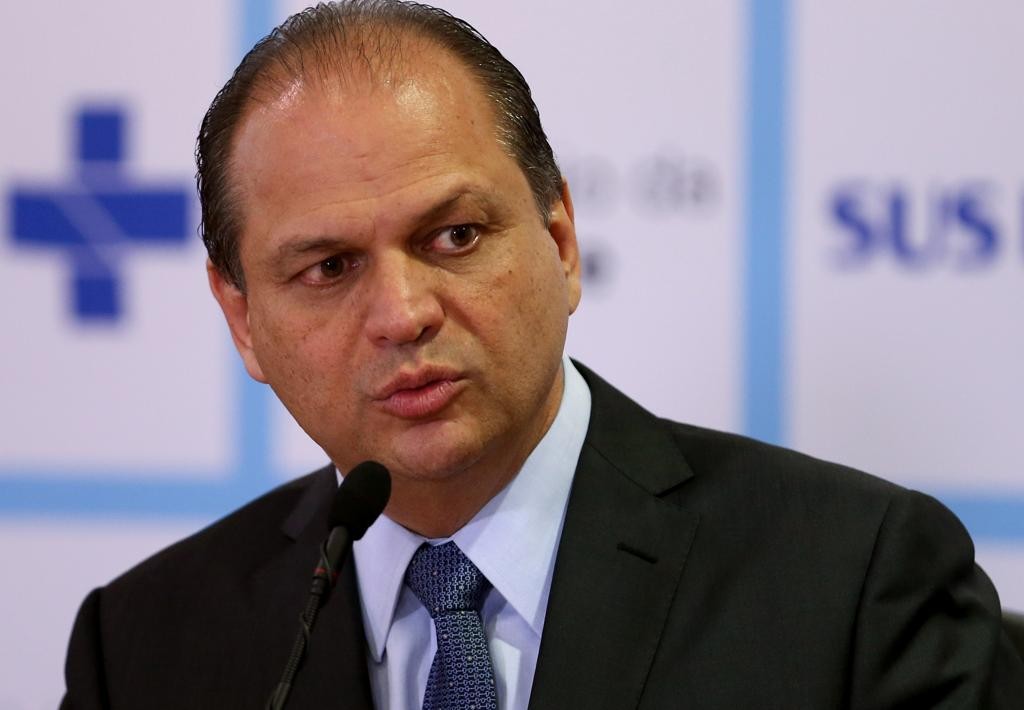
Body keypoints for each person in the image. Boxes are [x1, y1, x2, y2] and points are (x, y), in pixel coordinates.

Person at [61, 1, 1024, 708]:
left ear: (560, 241)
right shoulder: (145, 647)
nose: (403, 314)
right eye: (329, 267)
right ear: (241, 318)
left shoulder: (852, 584)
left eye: (455, 237)